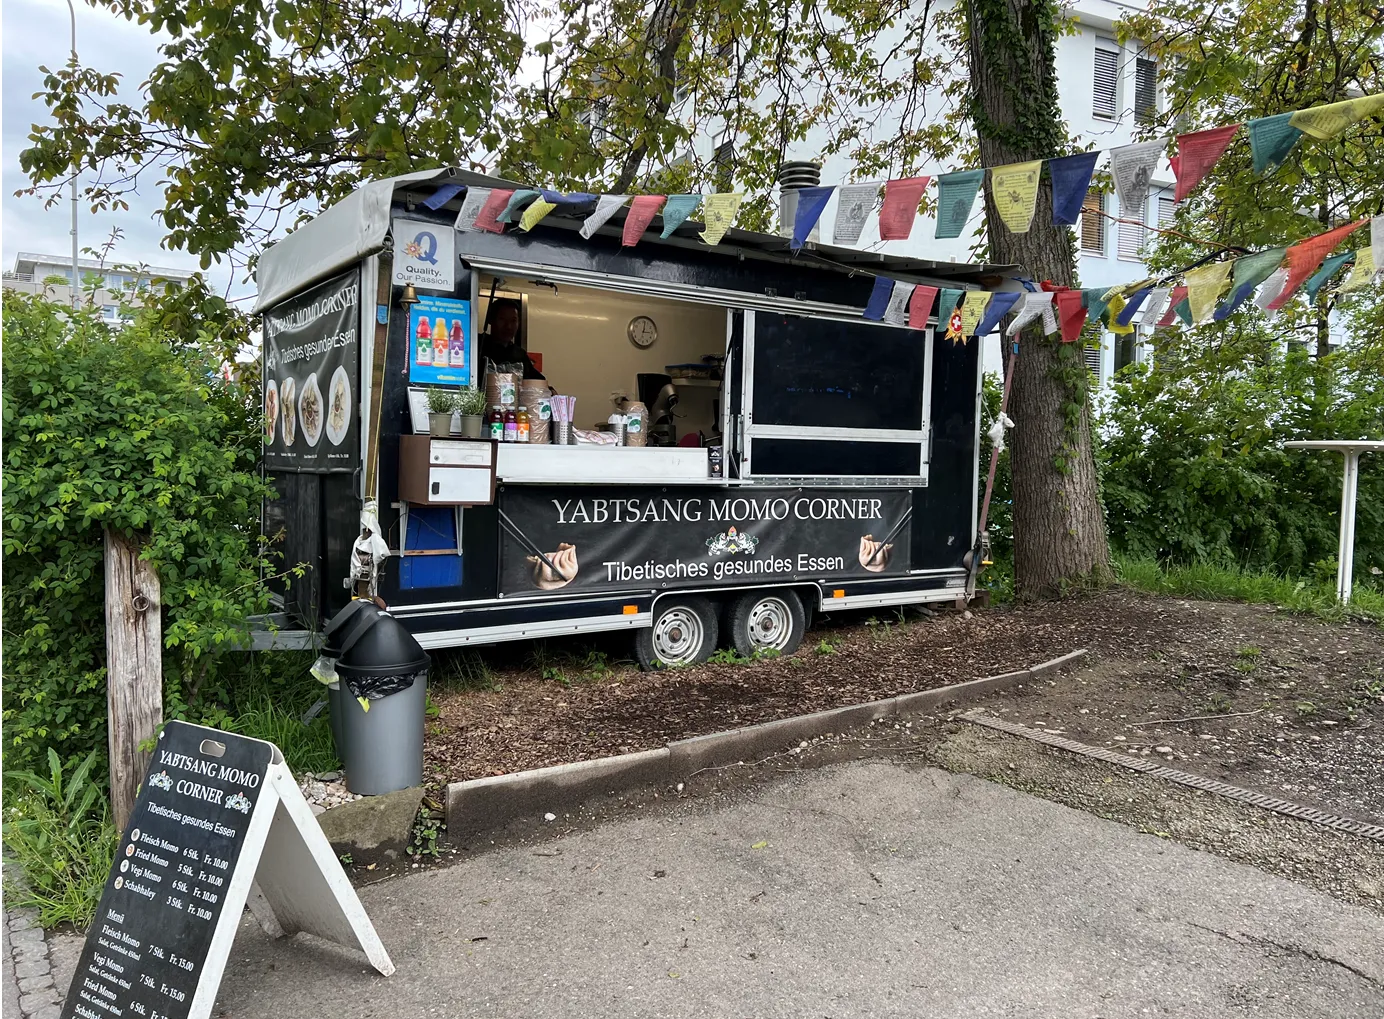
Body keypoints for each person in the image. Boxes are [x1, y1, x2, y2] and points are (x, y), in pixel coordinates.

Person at [480, 298, 544, 379]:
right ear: (490, 320)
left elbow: (536, 380)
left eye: (513, 321)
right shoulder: (477, 345)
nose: (508, 326)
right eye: (502, 319)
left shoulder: (520, 355)